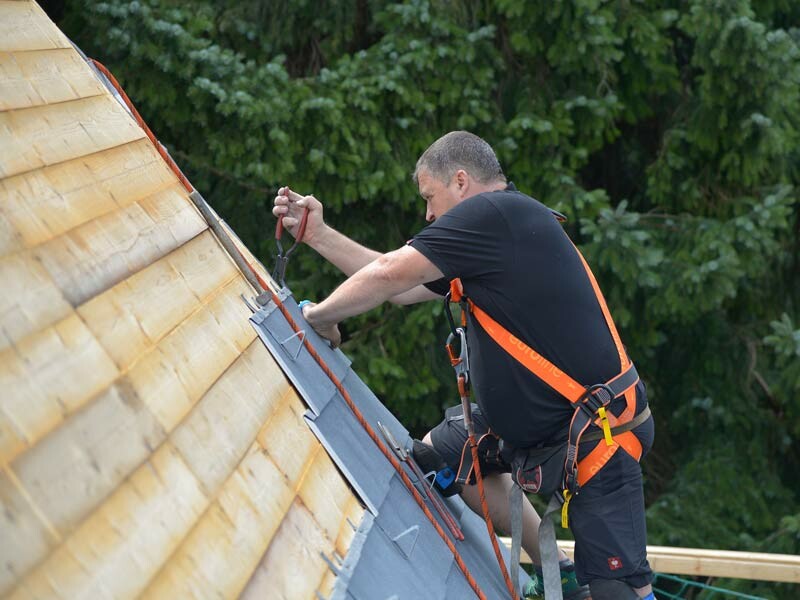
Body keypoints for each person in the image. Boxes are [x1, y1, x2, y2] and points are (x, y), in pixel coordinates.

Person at [273, 131, 656, 600]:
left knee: (619, 593)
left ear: (460, 181)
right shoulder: (491, 233)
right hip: (547, 428)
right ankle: (557, 566)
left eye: (429, 197)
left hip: (599, 436)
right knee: (448, 455)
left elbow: (391, 272)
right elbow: (397, 285)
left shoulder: (492, 215)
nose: (428, 215)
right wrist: (317, 235)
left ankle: (592, 582)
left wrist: (317, 317)